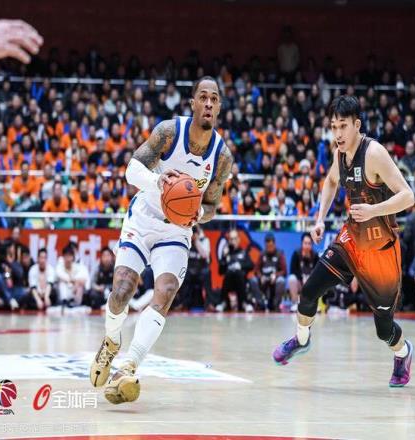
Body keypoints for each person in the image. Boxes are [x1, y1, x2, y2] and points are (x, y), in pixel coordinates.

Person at [90, 76, 233, 404]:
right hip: (144, 217)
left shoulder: (222, 156)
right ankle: (111, 342)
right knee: (121, 292)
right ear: (193, 103)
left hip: (177, 230)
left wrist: (199, 212)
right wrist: (159, 181)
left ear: (219, 107)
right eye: (203, 97)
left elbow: (212, 205)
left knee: (165, 291)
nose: (208, 103)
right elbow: (131, 170)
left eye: (214, 99)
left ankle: (129, 365)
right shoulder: (169, 131)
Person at [273, 95, 415, 387]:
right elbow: (330, 181)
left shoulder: (374, 153)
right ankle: (302, 338)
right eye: (333, 126)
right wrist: (320, 219)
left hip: (381, 252)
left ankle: (403, 353)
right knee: (309, 292)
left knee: (384, 329)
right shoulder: (340, 154)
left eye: (343, 126)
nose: (337, 133)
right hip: (351, 241)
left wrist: (374, 210)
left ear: (357, 125)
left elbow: (408, 196)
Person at [217, 229, 254, 312]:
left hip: (241, 282)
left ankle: (245, 303)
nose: (233, 241)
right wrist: (224, 257)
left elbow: (251, 265)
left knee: (238, 273)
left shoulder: (243, 252)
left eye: (234, 238)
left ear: (238, 239)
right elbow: (220, 271)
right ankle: (223, 302)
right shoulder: (227, 253)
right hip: (229, 282)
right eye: (231, 239)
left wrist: (240, 266)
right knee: (229, 273)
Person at [249, 233, 287, 312]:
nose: (269, 248)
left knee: (281, 281)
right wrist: (260, 276)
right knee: (253, 280)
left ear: (274, 244)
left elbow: (284, 271)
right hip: (264, 280)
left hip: (274, 281)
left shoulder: (280, 254)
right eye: (267, 246)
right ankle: (260, 303)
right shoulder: (262, 254)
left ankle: (276, 304)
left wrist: (276, 275)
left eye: (271, 246)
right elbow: (256, 270)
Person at [287, 233, 318, 313]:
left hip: (310, 284)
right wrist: (301, 279)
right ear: (302, 243)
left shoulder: (315, 255)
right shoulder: (296, 254)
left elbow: (318, 272)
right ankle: (294, 303)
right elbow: (292, 270)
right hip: (300, 283)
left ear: (312, 245)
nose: (307, 246)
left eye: (309, 243)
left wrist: (309, 280)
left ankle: (314, 304)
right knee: (291, 278)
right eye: (305, 243)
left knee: (320, 281)